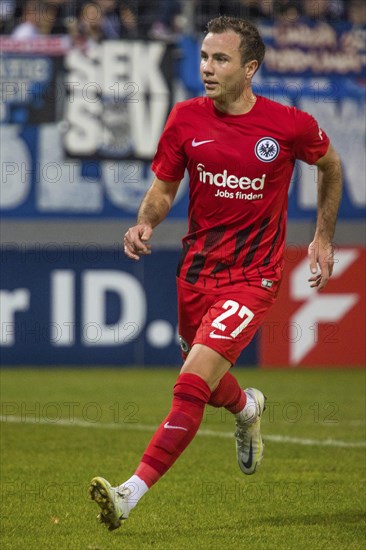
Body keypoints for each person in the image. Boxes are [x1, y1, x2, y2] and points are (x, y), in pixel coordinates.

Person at [89, 15, 342, 531]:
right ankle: (247, 409)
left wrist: (322, 236)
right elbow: (162, 189)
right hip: (196, 273)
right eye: (204, 57)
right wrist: (144, 223)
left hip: (254, 278)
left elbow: (330, 165)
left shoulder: (287, 124)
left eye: (220, 59)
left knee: (189, 387)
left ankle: (128, 494)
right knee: (205, 373)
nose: (207, 67)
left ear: (249, 68)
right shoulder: (185, 118)